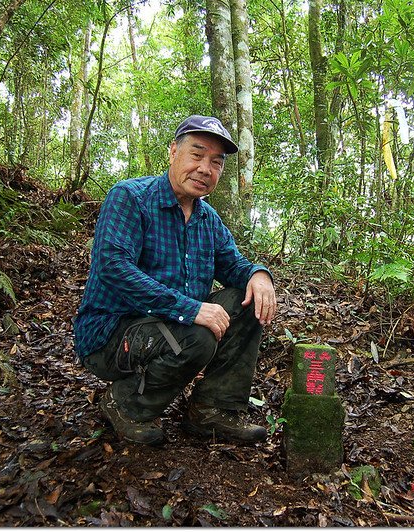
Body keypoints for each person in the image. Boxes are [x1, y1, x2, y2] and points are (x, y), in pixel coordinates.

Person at [73, 115, 277, 447]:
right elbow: (113, 267)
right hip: (110, 335)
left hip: (169, 325)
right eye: (196, 155)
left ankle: (212, 410)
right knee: (197, 334)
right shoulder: (131, 198)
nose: (205, 169)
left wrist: (259, 274)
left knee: (248, 298)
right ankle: (125, 405)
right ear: (173, 153)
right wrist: (190, 309)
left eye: (216, 162)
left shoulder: (207, 218)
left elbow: (234, 265)